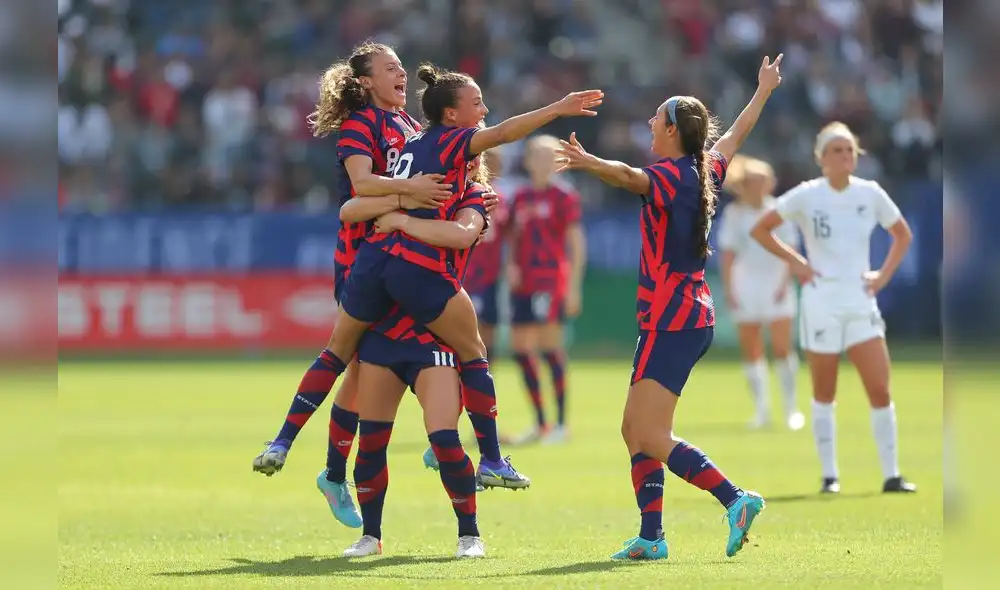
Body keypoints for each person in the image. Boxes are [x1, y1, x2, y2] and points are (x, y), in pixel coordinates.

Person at [295, 63, 603, 488]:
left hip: (376, 268)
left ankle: (329, 469)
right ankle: (486, 458)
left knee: (357, 366)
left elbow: (351, 206)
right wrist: (558, 108)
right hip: (421, 271)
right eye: (477, 103)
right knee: (473, 353)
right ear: (452, 115)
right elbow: (502, 137)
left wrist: (420, 208)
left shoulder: (409, 143)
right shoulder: (449, 141)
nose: (485, 109)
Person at [554, 55, 785, 560]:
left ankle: (735, 499)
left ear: (674, 130)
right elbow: (735, 136)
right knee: (633, 429)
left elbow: (628, 177)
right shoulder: (703, 168)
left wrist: (590, 163)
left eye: (657, 120)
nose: (649, 125)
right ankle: (652, 537)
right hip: (677, 315)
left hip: (673, 317)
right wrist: (762, 91)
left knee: (650, 433)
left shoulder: (674, 175)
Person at [251, 41, 452, 529]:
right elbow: (361, 186)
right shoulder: (361, 125)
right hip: (363, 256)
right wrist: (411, 191)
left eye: (402, 66)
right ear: (366, 82)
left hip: (407, 253)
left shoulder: (412, 126)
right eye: (390, 69)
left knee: (442, 343)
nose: (401, 73)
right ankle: (320, 462)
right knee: (362, 365)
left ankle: (432, 443)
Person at [337, 160, 494, 559]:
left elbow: (462, 235)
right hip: (384, 335)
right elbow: (349, 210)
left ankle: (469, 535)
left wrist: (400, 220)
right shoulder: (407, 188)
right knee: (371, 443)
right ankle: (371, 536)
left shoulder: (472, 197)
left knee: (443, 437)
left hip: (430, 338)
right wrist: (400, 197)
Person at [750, 121, 917, 495]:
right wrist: (797, 262)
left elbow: (902, 234)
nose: (845, 156)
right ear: (821, 158)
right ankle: (830, 477)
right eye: (837, 150)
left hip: (860, 300)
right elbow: (761, 229)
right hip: (821, 301)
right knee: (824, 389)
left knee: (879, 387)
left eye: (850, 150)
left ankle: (891, 474)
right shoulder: (807, 195)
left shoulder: (869, 193)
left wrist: (883, 275)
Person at [504, 135, 586, 445]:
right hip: (523, 282)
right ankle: (540, 424)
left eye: (546, 155)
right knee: (520, 349)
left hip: (549, 281)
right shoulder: (520, 198)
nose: (539, 160)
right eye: (534, 155)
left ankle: (561, 424)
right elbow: (513, 238)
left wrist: (574, 286)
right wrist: (510, 265)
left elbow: (576, 243)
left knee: (550, 347)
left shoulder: (564, 197)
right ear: (526, 161)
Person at [717, 156, 804, 430]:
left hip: (776, 283)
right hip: (747, 285)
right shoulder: (734, 214)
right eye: (755, 181)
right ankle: (761, 410)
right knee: (751, 348)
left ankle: (791, 410)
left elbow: (792, 252)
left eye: (765, 180)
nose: (761, 186)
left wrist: (784, 284)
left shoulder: (780, 211)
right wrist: (730, 289)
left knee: (782, 347)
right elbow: (728, 255)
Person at [463, 150, 507, 358]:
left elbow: (511, 235)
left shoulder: (503, 198)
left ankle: (487, 376)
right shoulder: (464, 192)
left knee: (489, 329)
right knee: (468, 328)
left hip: (489, 274)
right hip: (464, 270)